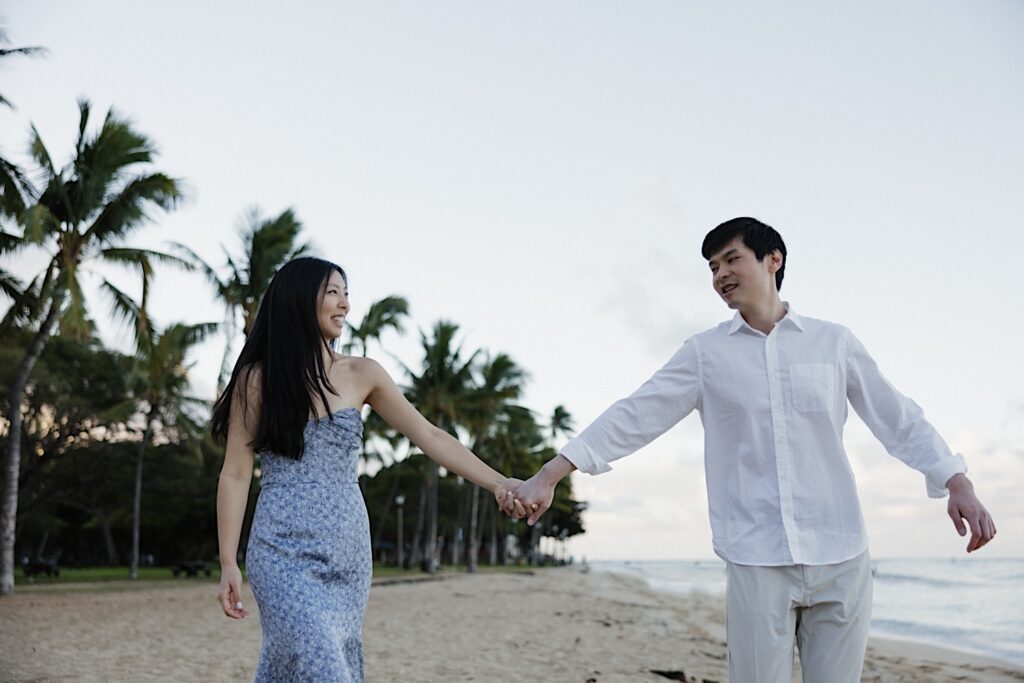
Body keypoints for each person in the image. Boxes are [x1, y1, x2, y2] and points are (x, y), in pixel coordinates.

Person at [511, 217, 996, 682]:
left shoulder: (833, 343)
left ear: (773, 260)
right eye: (712, 268)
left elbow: (898, 417)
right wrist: (552, 473)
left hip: (841, 551)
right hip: (755, 556)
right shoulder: (705, 354)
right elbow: (636, 414)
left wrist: (957, 480)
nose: (720, 275)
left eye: (730, 259)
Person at [214, 256, 522, 682]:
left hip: (347, 551)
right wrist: (228, 560)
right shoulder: (257, 379)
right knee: (321, 663)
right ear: (300, 300)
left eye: (346, 294)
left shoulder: (363, 373)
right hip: (280, 550)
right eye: (333, 293)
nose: (344, 305)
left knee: (323, 658)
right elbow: (235, 472)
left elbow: (430, 436)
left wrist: (499, 482)